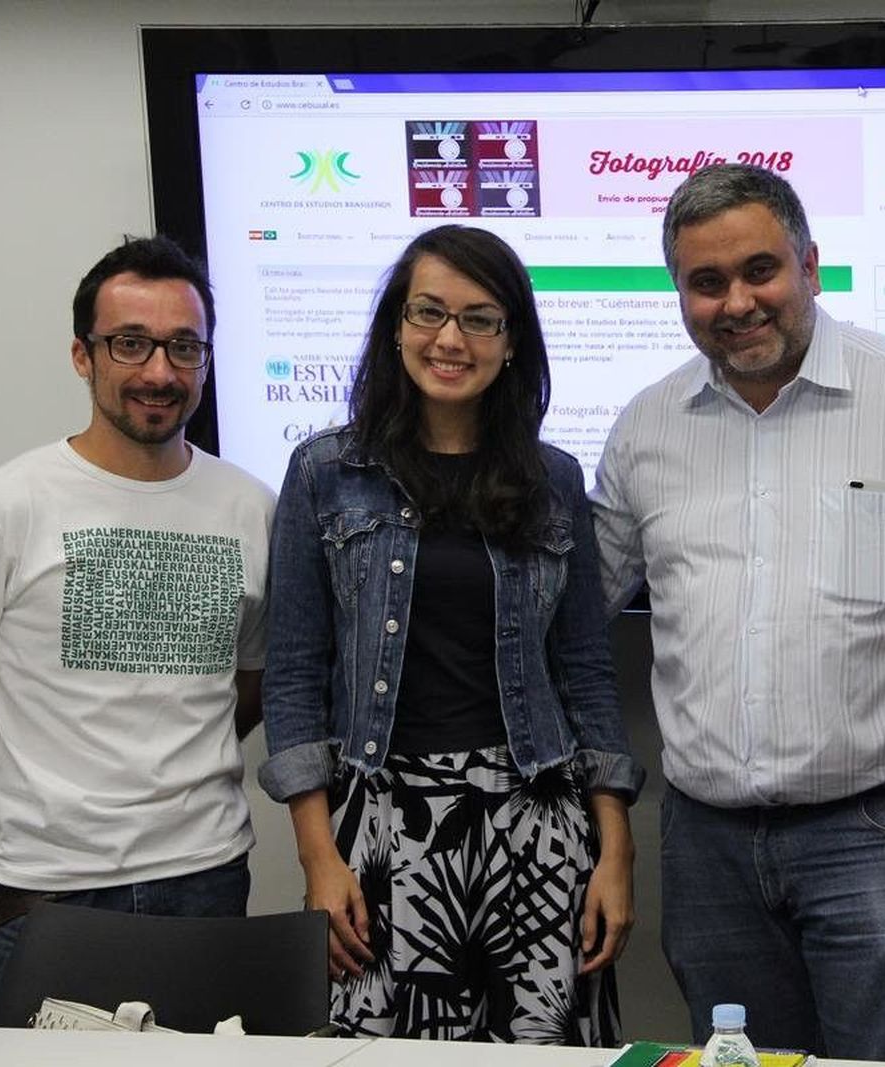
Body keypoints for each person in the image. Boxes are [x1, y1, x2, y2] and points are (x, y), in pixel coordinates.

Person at [591, 164, 885, 1063]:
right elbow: (577, 609)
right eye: (706, 282)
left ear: (812, 263)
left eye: (760, 270)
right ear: (678, 292)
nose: (737, 302)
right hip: (708, 843)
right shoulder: (647, 427)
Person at [259, 225, 642, 1043]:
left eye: (479, 318)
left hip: (538, 824)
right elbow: (292, 673)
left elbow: (585, 672)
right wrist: (318, 857)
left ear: (512, 342)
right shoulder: (326, 472)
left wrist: (616, 852)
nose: (449, 339)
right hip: (378, 824)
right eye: (429, 311)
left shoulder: (554, 481)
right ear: (396, 324)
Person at [0, 235, 275, 1025]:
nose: (159, 372)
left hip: (204, 877)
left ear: (207, 359)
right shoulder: (7, 503)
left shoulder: (251, 506)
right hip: (43, 885)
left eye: (184, 346)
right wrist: (26, 766)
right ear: (83, 355)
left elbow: (253, 679)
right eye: (130, 343)